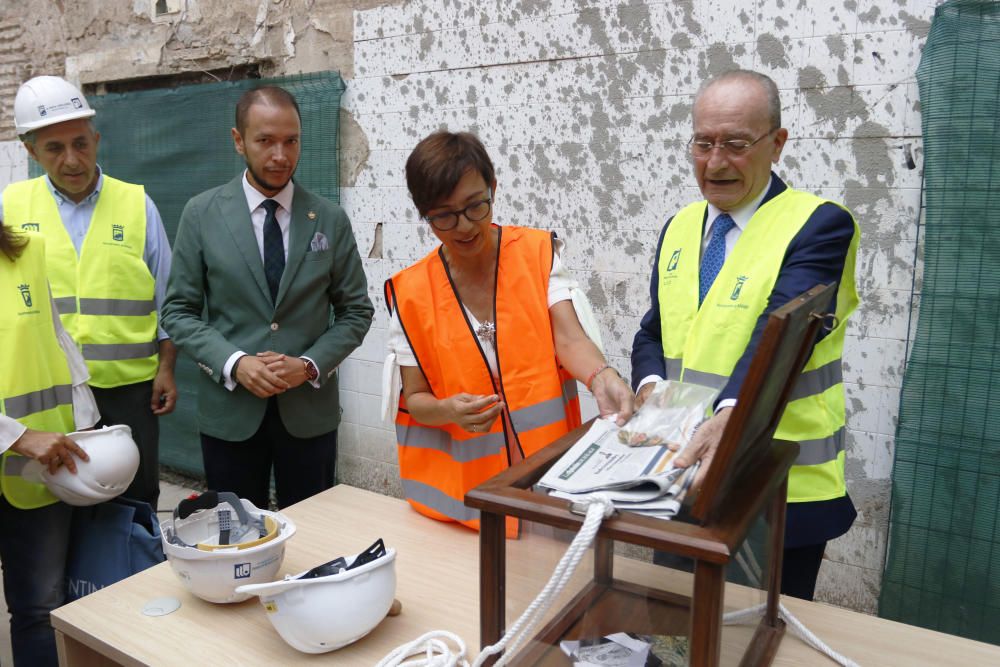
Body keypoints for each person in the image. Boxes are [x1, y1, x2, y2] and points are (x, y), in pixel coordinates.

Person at [630, 70, 860, 600]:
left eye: (735, 144)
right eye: (703, 143)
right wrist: (648, 392)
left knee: (757, 639)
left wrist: (731, 414)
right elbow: (655, 332)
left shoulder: (818, 225)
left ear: (776, 144)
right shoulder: (680, 227)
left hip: (779, 489)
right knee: (673, 626)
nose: (715, 163)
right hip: (681, 478)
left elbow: (778, 337)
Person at [383, 131, 635, 538]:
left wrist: (602, 376)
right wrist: (449, 410)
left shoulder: (537, 254)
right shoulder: (410, 292)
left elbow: (569, 339)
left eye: (475, 207)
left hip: (547, 481)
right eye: (444, 216)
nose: (464, 226)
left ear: (493, 189)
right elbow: (415, 400)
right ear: (423, 213)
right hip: (464, 504)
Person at [162, 86, 373, 510]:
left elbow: (355, 311)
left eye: (291, 141)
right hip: (230, 414)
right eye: (265, 141)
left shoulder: (328, 218)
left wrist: (309, 365)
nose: (280, 155)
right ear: (238, 141)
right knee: (238, 538)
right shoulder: (202, 214)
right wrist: (234, 363)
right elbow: (179, 311)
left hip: (308, 413)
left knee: (315, 533)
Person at [2, 75, 177, 511]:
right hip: (50, 396)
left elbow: (168, 298)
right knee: (58, 502)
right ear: (30, 151)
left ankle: (133, 575)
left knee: (134, 501)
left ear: (96, 139)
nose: (72, 159)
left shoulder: (137, 204)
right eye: (54, 149)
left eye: (80, 143)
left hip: (129, 391)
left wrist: (167, 368)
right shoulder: (11, 208)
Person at [0, 218, 97, 667]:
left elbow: (56, 340)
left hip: (36, 472)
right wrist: (14, 435)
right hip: (25, 449)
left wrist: (89, 425)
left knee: (40, 608)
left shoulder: (27, 250)